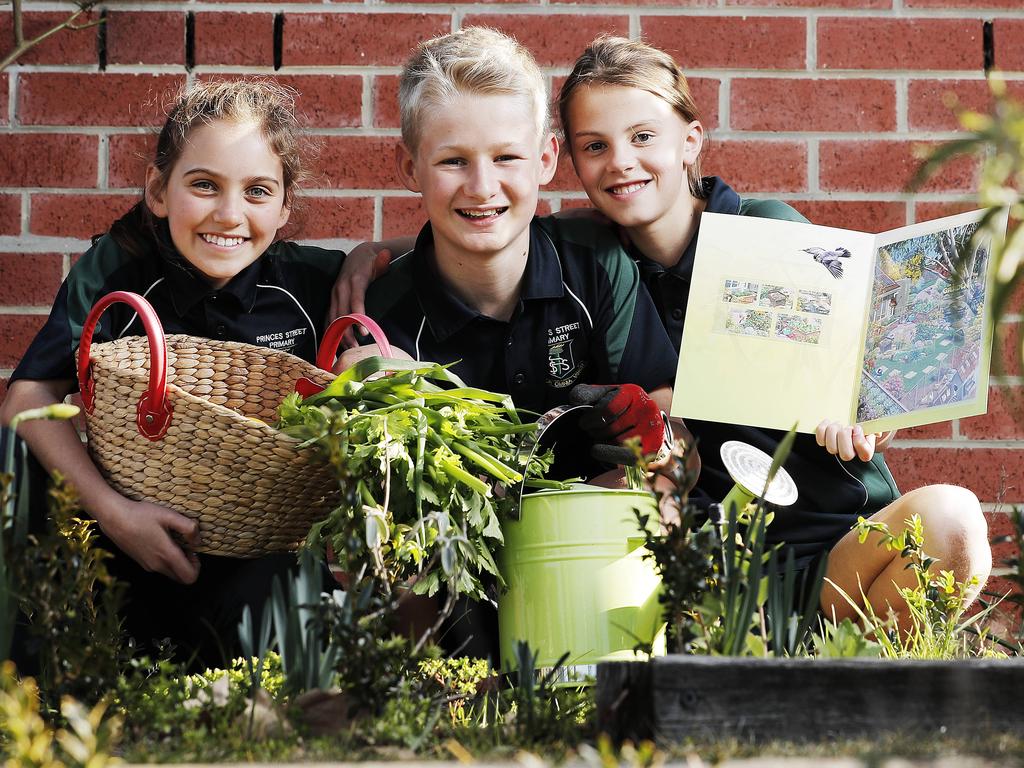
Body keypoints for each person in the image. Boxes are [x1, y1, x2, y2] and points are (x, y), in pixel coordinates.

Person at [333, 36, 991, 631]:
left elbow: (885, 355)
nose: (622, 162)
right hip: (718, 558)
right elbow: (487, 224)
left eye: (643, 136)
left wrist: (868, 409)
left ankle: (853, 680)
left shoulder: (767, 235)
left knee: (953, 521)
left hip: (833, 529)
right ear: (569, 161)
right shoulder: (591, 256)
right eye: (597, 146)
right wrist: (381, 252)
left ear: (691, 140)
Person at [342, 27, 684, 660]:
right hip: (457, 571)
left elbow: (668, 423)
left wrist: (629, 475)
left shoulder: (597, 267)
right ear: (408, 166)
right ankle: (447, 687)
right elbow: (384, 508)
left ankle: (626, 661)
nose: (481, 185)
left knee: (672, 492)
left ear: (547, 160)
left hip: (590, 541)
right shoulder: (385, 318)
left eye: (506, 158)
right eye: (452, 161)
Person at [0, 79, 345, 667]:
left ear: (286, 207)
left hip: (255, 556)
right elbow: (25, 399)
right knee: (12, 455)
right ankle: (33, 669)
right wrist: (116, 513)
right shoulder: (116, 271)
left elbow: (431, 258)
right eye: (205, 185)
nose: (229, 214)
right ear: (159, 191)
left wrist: (374, 252)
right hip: (126, 543)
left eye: (258, 191)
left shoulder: (314, 284)